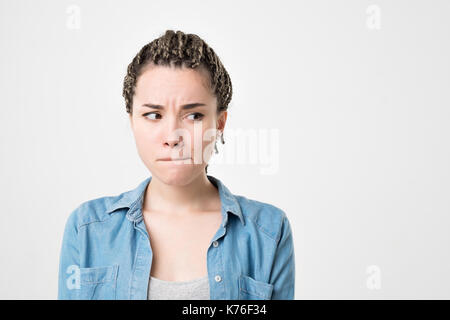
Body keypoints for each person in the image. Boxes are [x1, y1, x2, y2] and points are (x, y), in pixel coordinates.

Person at [57, 29, 295, 300]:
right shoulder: (86, 230)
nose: (172, 137)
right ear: (133, 121)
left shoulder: (269, 232)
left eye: (193, 115)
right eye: (153, 115)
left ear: (219, 124)